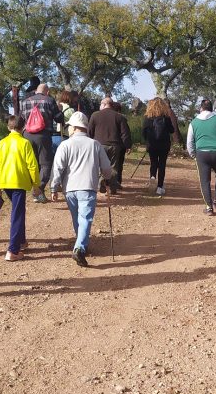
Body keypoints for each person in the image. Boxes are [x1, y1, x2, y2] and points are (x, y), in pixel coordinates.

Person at [50, 111, 114, 267]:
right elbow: (106, 168)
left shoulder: (65, 145)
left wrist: (53, 187)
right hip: (88, 187)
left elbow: (57, 168)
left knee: (76, 218)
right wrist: (107, 178)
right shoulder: (95, 144)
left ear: (73, 127)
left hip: (69, 189)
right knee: (85, 218)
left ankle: (81, 244)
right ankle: (80, 247)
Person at [0, 114, 40, 262]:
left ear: (8, 127)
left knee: (18, 210)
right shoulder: (25, 143)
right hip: (19, 183)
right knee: (17, 214)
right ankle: (12, 250)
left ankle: (21, 241)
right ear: (23, 128)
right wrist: (36, 185)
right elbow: (33, 166)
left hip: (5, 182)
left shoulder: (1, 143)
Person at [19, 83, 65, 203]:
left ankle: (36, 190)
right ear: (47, 92)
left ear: (35, 90)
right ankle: (38, 190)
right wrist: (60, 112)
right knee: (46, 164)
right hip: (43, 135)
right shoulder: (49, 100)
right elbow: (58, 118)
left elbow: (20, 119)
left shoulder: (25, 101)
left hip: (27, 135)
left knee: (32, 163)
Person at [187, 99, 216, 215]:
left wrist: (193, 155)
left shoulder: (194, 122)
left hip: (202, 154)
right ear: (211, 108)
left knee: (204, 181)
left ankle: (209, 207)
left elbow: (190, 142)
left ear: (201, 108)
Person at [88, 97, 132, 195]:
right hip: (115, 146)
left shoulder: (95, 115)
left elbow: (89, 131)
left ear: (104, 104)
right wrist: (127, 145)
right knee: (113, 167)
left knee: (100, 165)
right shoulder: (120, 117)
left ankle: (101, 181)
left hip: (98, 145)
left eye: (100, 104)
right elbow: (125, 133)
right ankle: (112, 187)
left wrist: (89, 143)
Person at [142, 97, 175, 196]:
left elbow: (143, 132)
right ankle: (160, 187)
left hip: (152, 145)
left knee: (153, 162)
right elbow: (172, 130)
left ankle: (152, 177)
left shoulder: (147, 118)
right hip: (164, 145)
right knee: (162, 165)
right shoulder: (166, 118)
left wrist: (147, 140)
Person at [52, 89, 77, 156]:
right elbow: (75, 124)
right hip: (64, 137)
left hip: (52, 137)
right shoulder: (70, 110)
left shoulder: (54, 107)